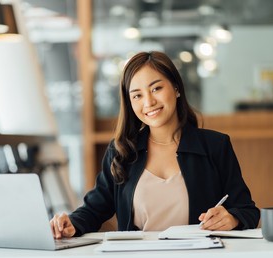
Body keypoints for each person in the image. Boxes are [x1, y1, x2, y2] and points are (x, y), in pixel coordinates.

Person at [50, 51, 260, 238]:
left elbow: (247, 210)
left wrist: (232, 218)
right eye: (137, 95)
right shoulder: (121, 151)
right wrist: (72, 223)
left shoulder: (215, 145)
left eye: (156, 88)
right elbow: (94, 210)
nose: (148, 102)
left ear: (176, 88)